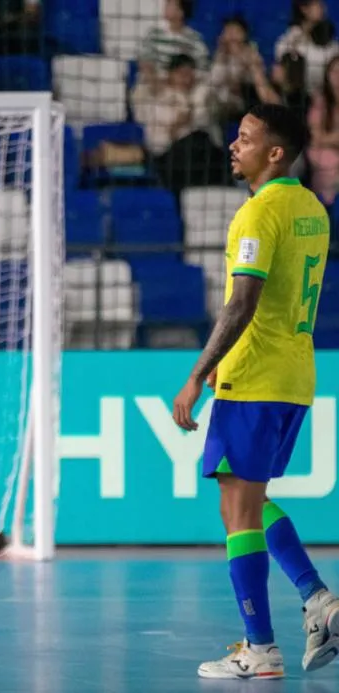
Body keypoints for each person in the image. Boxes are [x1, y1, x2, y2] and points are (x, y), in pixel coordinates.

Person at [172, 103, 339, 679]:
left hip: (255, 378)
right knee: (242, 499)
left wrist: (198, 372)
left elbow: (242, 301)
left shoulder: (258, 213)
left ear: (275, 152)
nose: (233, 146)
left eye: (245, 138)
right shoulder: (312, 208)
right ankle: (318, 599)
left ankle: (261, 649)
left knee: (238, 510)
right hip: (293, 376)